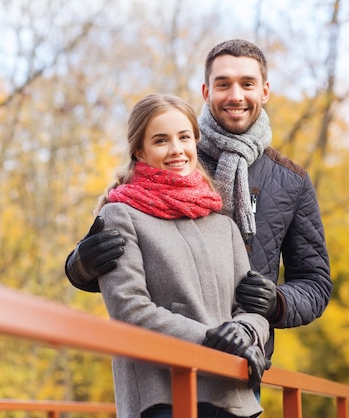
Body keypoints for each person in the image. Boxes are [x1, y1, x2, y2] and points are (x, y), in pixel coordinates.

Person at [65, 39, 333, 395]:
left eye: (247, 84)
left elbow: (315, 282)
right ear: (207, 91)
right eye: (223, 84)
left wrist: (276, 303)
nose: (235, 95)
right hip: (162, 369)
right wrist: (80, 265)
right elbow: (119, 262)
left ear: (265, 91)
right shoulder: (175, 157)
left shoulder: (291, 180)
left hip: (242, 362)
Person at [95, 93, 270, 418]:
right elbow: (130, 309)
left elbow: (252, 308)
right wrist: (214, 339)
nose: (176, 149)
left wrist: (244, 332)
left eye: (184, 137)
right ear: (139, 151)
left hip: (234, 396)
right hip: (164, 397)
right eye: (161, 140)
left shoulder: (224, 224)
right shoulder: (120, 215)